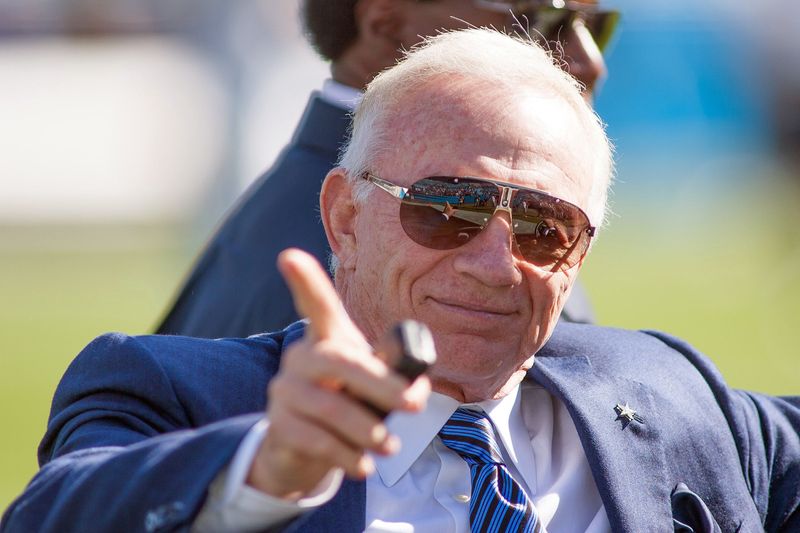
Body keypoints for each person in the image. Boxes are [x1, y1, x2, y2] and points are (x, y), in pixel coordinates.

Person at [5, 28, 799, 533]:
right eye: (447, 208)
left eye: (543, 228)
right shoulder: (174, 394)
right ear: (345, 217)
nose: (495, 264)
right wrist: (264, 469)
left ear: (581, 255)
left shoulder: (671, 392)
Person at [155, 0, 620, 338]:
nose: (587, 61)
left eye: (596, 25)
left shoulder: (302, 215)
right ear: (386, 18)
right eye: (540, 19)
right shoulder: (330, 265)